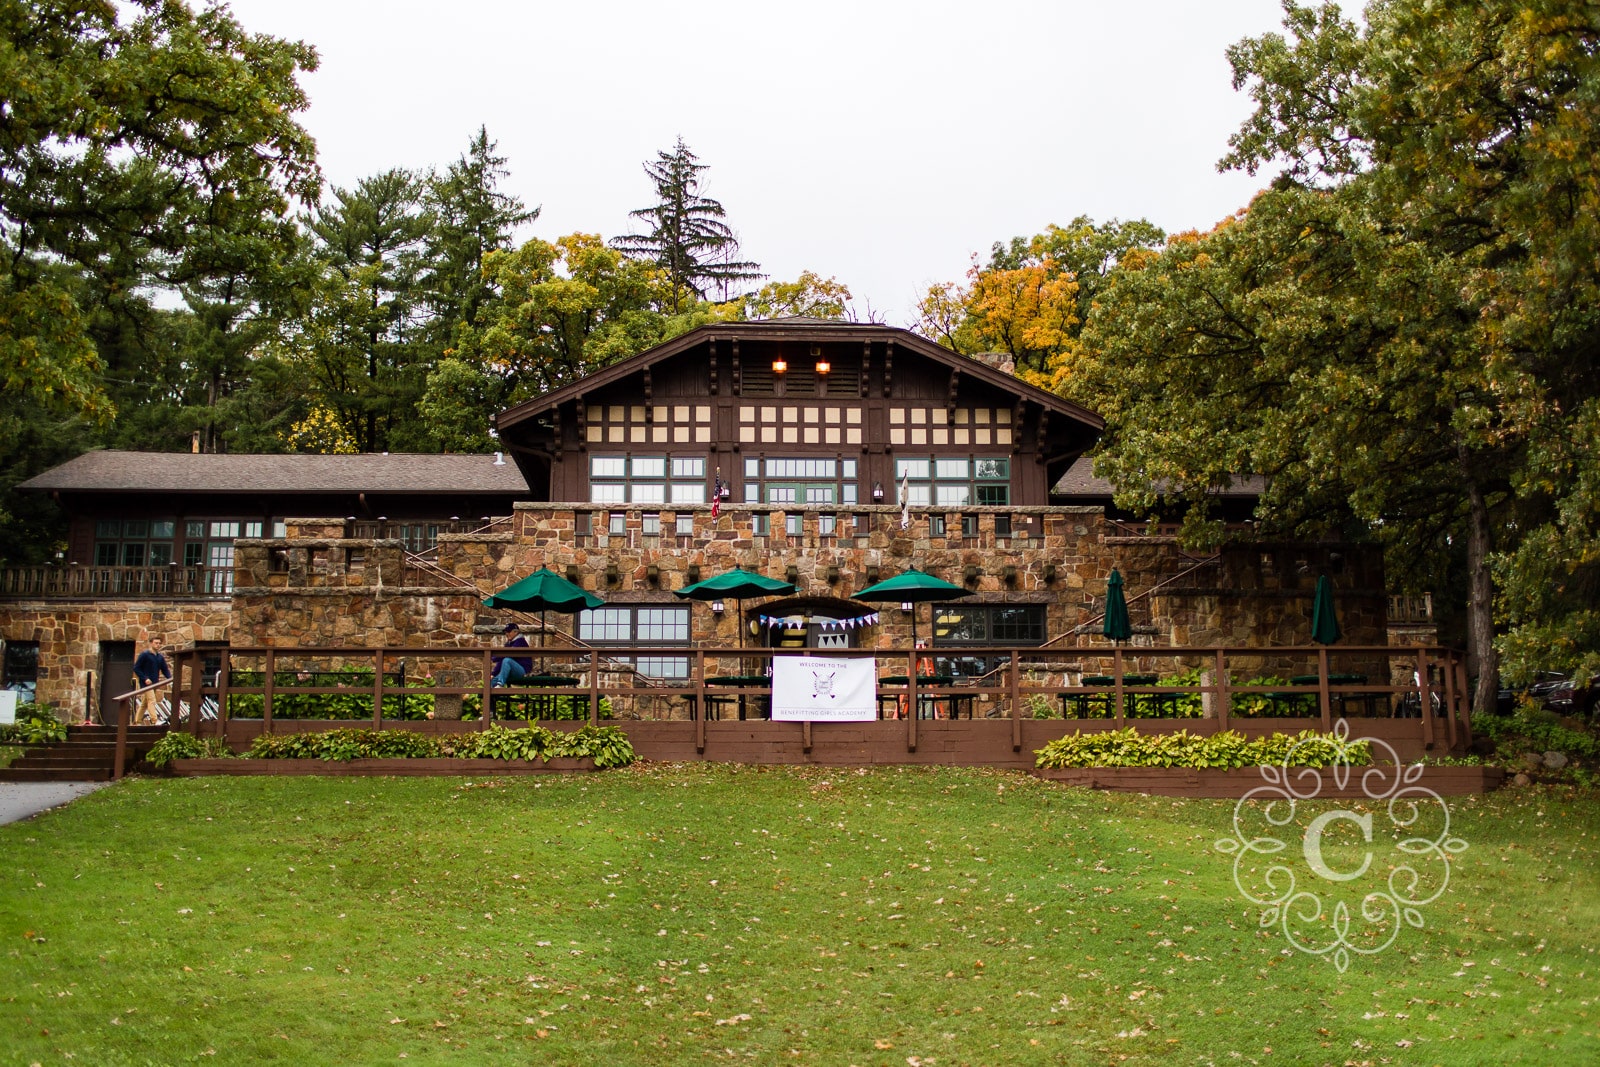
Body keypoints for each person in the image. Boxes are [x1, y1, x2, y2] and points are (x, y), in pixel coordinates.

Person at [132, 634, 171, 725]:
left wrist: (170, 678)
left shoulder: (159, 657)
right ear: (151, 643)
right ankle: (154, 720)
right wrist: (144, 678)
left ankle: (137, 721)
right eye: (156, 643)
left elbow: (165, 669)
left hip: (154, 683)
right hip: (146, 683)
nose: (158, 645)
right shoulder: (145, 655)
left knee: (145, 703)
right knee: (152, 700)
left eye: (159, 643)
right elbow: (136, 668)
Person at [491, 622, 533, 687]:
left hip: (523, 672)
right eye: (505, 632)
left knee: (507, 660)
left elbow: (507, 655)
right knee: (492, 681)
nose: (506, 634)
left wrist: (494, 657)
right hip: (511, 670)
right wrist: (493, 674)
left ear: (515, 632)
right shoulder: (508, 644)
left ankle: (500, 685)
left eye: (508, 632)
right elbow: (501, 661)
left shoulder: (521, 642)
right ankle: (488, 696)